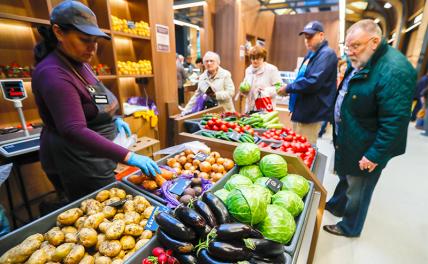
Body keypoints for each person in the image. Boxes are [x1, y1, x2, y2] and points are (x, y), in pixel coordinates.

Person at [32, 1, 160, 202]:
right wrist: (129, 156)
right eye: (84, 40)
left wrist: (114, 118)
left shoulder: (80, 62)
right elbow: (73, 129)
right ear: (58, 32)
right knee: (99, 208)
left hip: (99, 156)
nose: (92, 48)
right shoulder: (53, 73)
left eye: (95, 41)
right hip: (78, 161)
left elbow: (95, 98)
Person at [323, 19, 416, 237]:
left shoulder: (394, 71)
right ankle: (337, 205)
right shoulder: (363, 59)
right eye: (347, 46)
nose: (350, 52)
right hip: (353, 134)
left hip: (368, 144)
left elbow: (395, 121)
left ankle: (350, 227)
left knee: (360, 187)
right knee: (347, 175)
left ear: (375, 42)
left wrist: (374, 155)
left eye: (355, 46)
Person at [278, 21, 337, 145]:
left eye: (310, 36)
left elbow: (313, 82)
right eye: (305, 37)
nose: (307, 40)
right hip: (301, 109)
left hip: (311, 112)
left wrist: (288, 88)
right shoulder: (311, 54)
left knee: (304, 148)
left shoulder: (327, 54)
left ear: (321, 35)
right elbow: (301, 78)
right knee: (296, 145)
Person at [240, 45, 282, 113]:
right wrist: (244, 90)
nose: (255, 61)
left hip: (265, 108)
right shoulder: (248, 70)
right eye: (253, 58)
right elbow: (247, 85)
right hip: (250, 108)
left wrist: (266, 90)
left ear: (263, 58)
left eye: (258, 58)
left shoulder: (271, 69)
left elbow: (279, 87)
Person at [318, 59, 348, 137]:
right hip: (331, 101)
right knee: (327, 118)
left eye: (346, 66)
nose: (344, 68)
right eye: (343, 66)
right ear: (340, 67)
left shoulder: (348, 79)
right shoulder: (335, 77)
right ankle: (321, 131)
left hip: (342, 103)